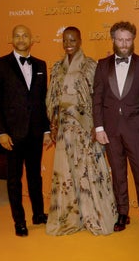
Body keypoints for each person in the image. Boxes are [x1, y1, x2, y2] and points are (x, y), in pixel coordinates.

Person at [45, 26, 117, 236]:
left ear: (80, 41)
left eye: (73, 40)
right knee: (67, 173)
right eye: (65, 40)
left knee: (89, 172)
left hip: (85, 128)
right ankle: (69, 217)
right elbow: (52, 99)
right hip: (64, 130)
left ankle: (95, 216)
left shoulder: (90, 66)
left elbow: (98, 97)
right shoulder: (57, 67)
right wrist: (54, 122)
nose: (68, 44)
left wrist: (97, 126)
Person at [92, 21, 139, 231]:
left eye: (128, 39)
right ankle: (122, 213)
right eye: (120, 39)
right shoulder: (102, 64)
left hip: (136, 127)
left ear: (133, 40)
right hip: (110, 129)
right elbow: (97, 98)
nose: (124, 43)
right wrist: (99, 128)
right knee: (118, 172)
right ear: (113, 40)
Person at [0, 24, 52, 237]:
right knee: (14, 179)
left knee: (35, 176)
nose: (22, 38)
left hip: (35, 132)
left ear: (31, 39)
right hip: (12, 134)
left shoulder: (41, 65)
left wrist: (46, 130)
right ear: (12, 39)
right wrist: (1, 132)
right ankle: (20, 222)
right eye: (17, 35)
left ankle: (38, 214)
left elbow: (43, 102)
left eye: (25, 35)